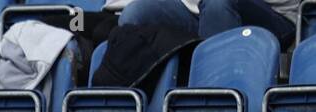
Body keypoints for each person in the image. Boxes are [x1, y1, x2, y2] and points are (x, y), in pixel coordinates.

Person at [114, 0, 298, 49]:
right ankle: (125, 106)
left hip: (277, 16)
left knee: (217, 3)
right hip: (199, 10)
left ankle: (213, 92)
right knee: (136, 12)